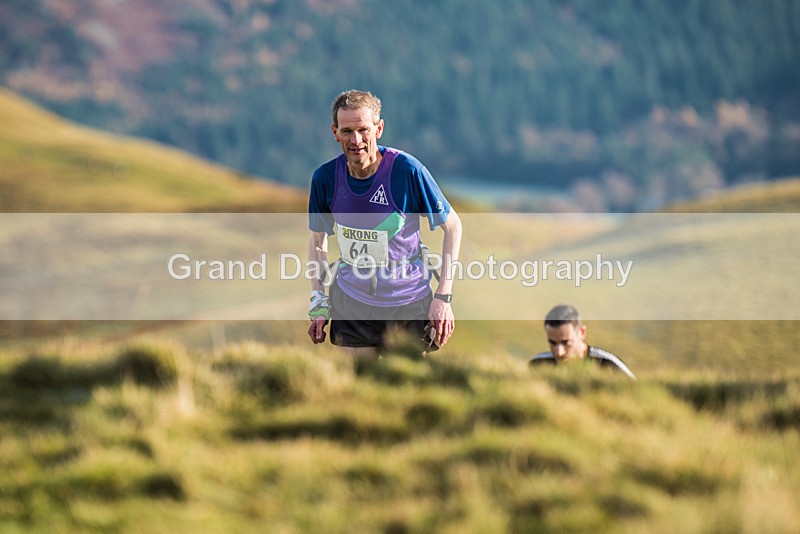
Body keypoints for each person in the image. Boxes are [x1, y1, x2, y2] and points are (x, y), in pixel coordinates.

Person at [307, 89, 462, 358]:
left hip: (408, 301)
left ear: (378, 129)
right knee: (361, 390)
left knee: (409, 389)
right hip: (352, 301)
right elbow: (317, 241)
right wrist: (318, 301)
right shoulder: (325, 178)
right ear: (334, 132)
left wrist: (443, 297)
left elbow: (453, 226)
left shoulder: (407, 171)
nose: (355, 140)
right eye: (346, 131)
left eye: (363, 130)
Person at [529, 304, 636, 379]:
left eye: (566, 343)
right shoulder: (537, 364)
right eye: (552, 343)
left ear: (582, 333)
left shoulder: (608, 364)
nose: (559, 352)